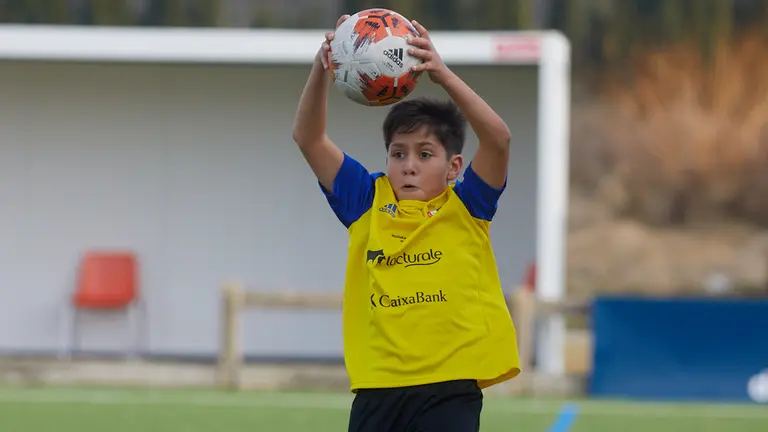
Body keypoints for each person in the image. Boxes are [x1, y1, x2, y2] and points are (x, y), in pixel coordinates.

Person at [291, 14, 520, 432]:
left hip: (448, 391)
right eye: (398, 154)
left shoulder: (468, 205)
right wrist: (322, 67)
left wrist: (442, 75)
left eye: (424, 154)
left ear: (453, 167)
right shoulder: (365, 200)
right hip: (378, 391)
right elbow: (308, 137)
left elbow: (499, 139)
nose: (409, 166)